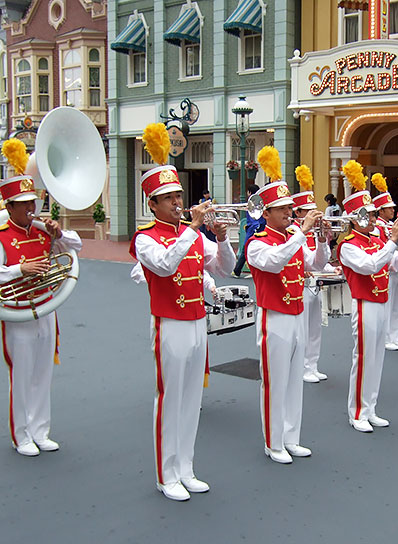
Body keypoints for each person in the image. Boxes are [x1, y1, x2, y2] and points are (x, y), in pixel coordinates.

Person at [131, 162, 235, 501]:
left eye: (178, 195)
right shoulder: (145, 238)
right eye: (168, 198)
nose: (177, 202)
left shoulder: (191, 235)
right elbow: (163, 265)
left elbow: (224, 268)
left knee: (192, 399)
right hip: (169, 323)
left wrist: (222, 239)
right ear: (152, 204)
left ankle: (186, 468)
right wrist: (192, 229)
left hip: (196, 322)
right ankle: (166, 473)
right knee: (170, 398)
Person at [0, 175, 82, 457]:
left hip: (46, 307)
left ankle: (40, 430)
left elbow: (77, 247)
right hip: (18, 312)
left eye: (32, 202)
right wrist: (19, 270)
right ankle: (21, 434)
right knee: (22, 375)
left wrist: (59, 233)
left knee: (43, 373)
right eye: (23, 204)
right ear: (9, 207)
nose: (30, 209)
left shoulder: (42, 231)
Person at [246, 181, 329, 463]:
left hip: (296, 315)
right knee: (275, 382)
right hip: (274, 317)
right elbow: (276, 262)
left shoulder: (293, 235)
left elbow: (315, 265)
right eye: (281, 209)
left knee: (295, 380)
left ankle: (291, 437)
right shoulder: (256, 244)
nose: (288, 213)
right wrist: (302, 232)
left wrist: (321, 240)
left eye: (288, 208)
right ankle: (273, 442)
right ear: (265, 213)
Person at [338, 190, 398, 431]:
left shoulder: (378, 242)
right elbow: (370, 266)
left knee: (377, 358)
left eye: (371, 214)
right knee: (364, 358)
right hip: (364, 303)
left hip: (382, 302)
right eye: (366, 214)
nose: (371, 218)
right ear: (354, 218)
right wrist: (392, 242)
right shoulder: (348, 246)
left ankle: (371, 408)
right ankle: (357, 412)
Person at [291, 190, 337, 383]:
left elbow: (316, 260)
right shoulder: (294, 231)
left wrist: (330, 267)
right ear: (299, 212)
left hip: (315, 283)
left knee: (315, 327)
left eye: (314, 210)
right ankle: (302, 366)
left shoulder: (311, 231)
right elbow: (302, 258)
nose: (313, 214)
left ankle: (313, 365)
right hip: (300, 286)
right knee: (303, 329)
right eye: (309, 211)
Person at [372, 191, 398, 351]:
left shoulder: (388, 225)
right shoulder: (377, 228)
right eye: (389, 208)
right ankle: (386, 338)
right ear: (381, 211)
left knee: (395, 305)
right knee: (388, 304)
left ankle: (394, 336)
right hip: (386, 268)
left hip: (394, 267)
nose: (393, 210)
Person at [233, 184, 264, 277]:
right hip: (256, 229)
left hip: (254, 231)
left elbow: (254, 219)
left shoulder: (253, 204)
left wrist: (255, 228)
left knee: (245, 251)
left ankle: (237, 270)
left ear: (250, 192)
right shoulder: (259, 203)